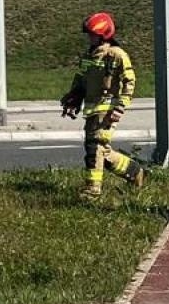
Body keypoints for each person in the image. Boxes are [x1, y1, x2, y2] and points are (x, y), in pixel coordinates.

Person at [61, 12, 146, 200]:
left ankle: (93, 189)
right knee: (100, 151)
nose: (90, 38)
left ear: (104, 35)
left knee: (95, 147)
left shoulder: (116, 55)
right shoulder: (89, 55)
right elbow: (82, 79)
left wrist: (120, 107)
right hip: (92, 109)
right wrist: (73, 97)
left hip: (108, 109)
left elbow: (129, 82)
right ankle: (134, 171)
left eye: (93, 35)